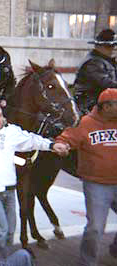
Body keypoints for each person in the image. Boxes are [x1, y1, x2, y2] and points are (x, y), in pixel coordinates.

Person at [0, 102, 68, 263]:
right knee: (0, 231)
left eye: (0, 115)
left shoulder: (11, 132)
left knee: (9, 231)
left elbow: (31, 140)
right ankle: (1, 261)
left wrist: (51, 145)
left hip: (9, 191)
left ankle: (5, 259)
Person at [55, 88, 117, 266]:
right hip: (97, 185)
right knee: (95, 228)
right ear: (106, 106)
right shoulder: (86, 123)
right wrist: (61, 144)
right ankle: (87, 262)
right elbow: (67, 137)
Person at [74, 28, 117, 114]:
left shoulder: (106, 61)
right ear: (98, 46)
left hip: (104, 102)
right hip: (91, 104)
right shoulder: (93, 63)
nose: (112, 49)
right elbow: (106, 84)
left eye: (113, 46)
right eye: (108, 46)